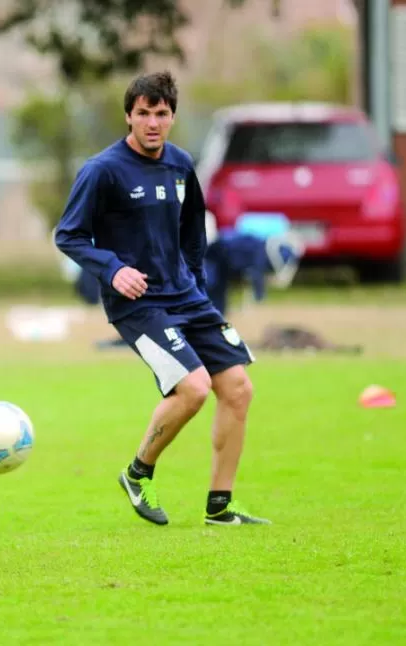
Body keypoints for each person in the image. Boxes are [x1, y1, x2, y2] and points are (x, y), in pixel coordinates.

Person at [54, 72, 269, 526]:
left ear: (172, 116)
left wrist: (195, 281)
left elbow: (193, 231)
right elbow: (69, 236)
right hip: (139, 304)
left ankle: (221, 505)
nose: (153, 122)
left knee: (238, 388)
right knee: (193, 387)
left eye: (162, 113)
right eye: (144, 113)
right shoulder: (102, 170)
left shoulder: (180, 164)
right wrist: (114, 270)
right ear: (129, 116)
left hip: (187, 297)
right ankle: (138, 473)